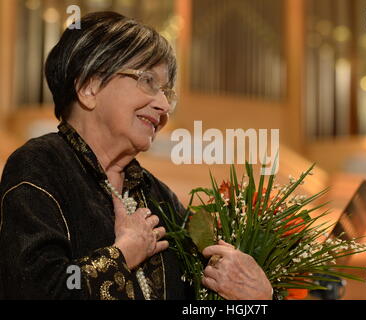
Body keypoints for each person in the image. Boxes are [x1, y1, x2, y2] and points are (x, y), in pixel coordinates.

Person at [0, 11, 272, 300]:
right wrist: (123, 255)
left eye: (167, 92)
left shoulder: (159, 196)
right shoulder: (40, 165)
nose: (164, 105)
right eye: (148, 81)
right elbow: (32, 290)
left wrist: (259, 297)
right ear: (89, 87)